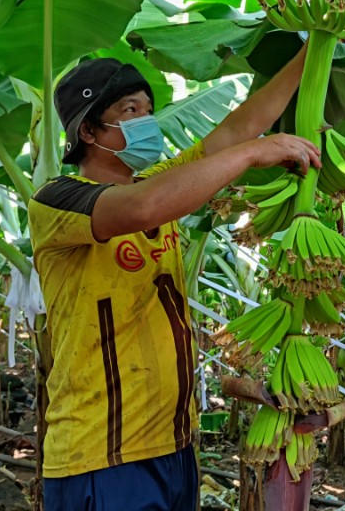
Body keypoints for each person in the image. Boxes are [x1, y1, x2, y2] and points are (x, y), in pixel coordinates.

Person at [30, 47, 317, 510]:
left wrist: (313, 46)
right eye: (130, 111)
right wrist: (253, 154)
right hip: (101, 454)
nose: (147, 121)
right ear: (88, 131)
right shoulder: (58, 200)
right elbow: (144, 207)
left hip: (174, 444)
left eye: (149, 109)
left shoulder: (157, 182)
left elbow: (238, 129)